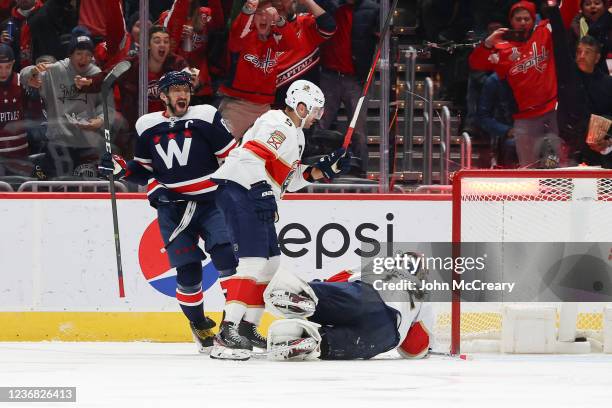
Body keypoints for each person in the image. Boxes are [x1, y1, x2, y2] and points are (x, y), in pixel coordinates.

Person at [209, 79, 351, 360]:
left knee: (271, 263)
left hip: (253, 192)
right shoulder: (276, 122)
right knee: (253, 262)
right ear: (300, 105)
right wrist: (260, 189)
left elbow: (289, 180)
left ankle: (247, 328)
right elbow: (250, 156)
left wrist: (321, 170)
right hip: (241, 189)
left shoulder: (295, 134)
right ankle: (227, 333)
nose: (317, 117)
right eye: (315, 111)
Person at [98, 71, 239, 353]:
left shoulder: (206, 116)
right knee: (188, 271)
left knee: (226, 257)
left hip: (210, 202)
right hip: (172, 209)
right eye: (175, 89)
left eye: (185, 88)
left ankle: (232, 326)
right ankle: (199, 325)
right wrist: (121, 168)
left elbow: (232, 157)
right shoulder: (147, 125)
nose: (182, 94)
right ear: (162, 96)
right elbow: (143, 171)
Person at [262, 255, 432, 361]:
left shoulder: (378, 265)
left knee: (317, 296)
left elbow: (339, 279)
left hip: (364, 296)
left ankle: (304, 297)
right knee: (329, 343)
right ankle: (313, 341)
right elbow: (414, 349)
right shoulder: (424, 294)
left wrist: (321, 291)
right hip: (386, 333)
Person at [469, 1, 562, 168]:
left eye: (527, 19)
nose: (523, 22)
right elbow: (476, 63)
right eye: (518, 19)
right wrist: (488, 43)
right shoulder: (502, 48)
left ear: (533, 20)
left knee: (556, 165)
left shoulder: (544, 32)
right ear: (511, 21)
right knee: (528, 169)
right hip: (525, 117)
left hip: (552, 111)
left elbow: (565, 14)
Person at [19, 26, 112, 177]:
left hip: (86, 144)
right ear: (70, 55)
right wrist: (32, 72)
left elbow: (107, 106)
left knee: (87, 191)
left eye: (88, 54)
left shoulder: (96, 74)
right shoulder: (57, 69)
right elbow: (23, 75)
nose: (84, 58)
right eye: (79, 53)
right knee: (57, 188)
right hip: (58, 143)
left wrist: (100, 120)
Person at [217, 0, 299, 140]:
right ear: (252, 17)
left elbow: (292, 43)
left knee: (259, 153)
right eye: (259, 13)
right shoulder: (242, 37)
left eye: (268, 14)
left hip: (264, 107)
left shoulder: (275, 38)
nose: (264, 18)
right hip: (237, 105)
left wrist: (279, 19)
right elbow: (238, 27)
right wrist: (249, 7)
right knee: (224, 150)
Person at [317, 0, 379, 177]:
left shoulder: (371, 9)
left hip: (355, 78)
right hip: (329, 75)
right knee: (319, 124)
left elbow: (381, 35)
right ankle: (317, 167)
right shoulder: (329, 6)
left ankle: (362, 170)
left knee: (358, 130)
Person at [273, 0, 336, 106]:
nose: (279, 3)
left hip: (306, 102)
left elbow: (329, 27)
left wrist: (308, 2)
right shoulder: (264, 28)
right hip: (272, 102)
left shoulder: (304, 22)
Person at [569, 0, 611, 74]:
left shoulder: (608, 20)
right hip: (580, 69)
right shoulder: (577, 25)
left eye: (597, 3)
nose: (593, 6)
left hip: (601, 69)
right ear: (582, 9)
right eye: (588, 4)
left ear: (604, 6)